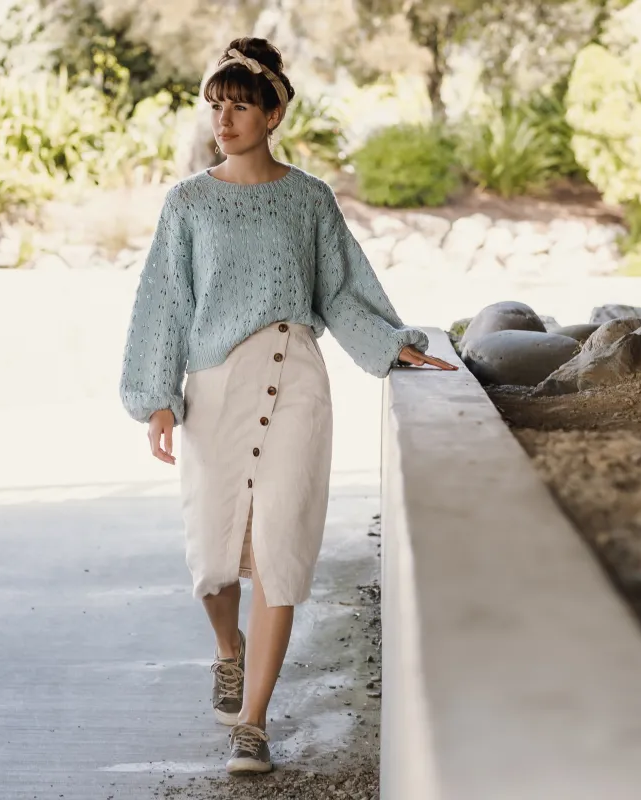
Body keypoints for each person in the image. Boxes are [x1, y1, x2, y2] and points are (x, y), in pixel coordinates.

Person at [119, 36, 457, 776]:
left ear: (274, 113)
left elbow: (339, 290)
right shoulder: (188, 203)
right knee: (213, 559)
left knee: (279, 543)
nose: (225, 119)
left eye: (241, 106)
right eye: (217, 105)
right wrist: (156, 398)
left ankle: (254, 722)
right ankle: (227, 648)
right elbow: (166, 304)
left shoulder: (309, 199)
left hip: (295, 380)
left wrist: (390, 343)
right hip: (215, 389)